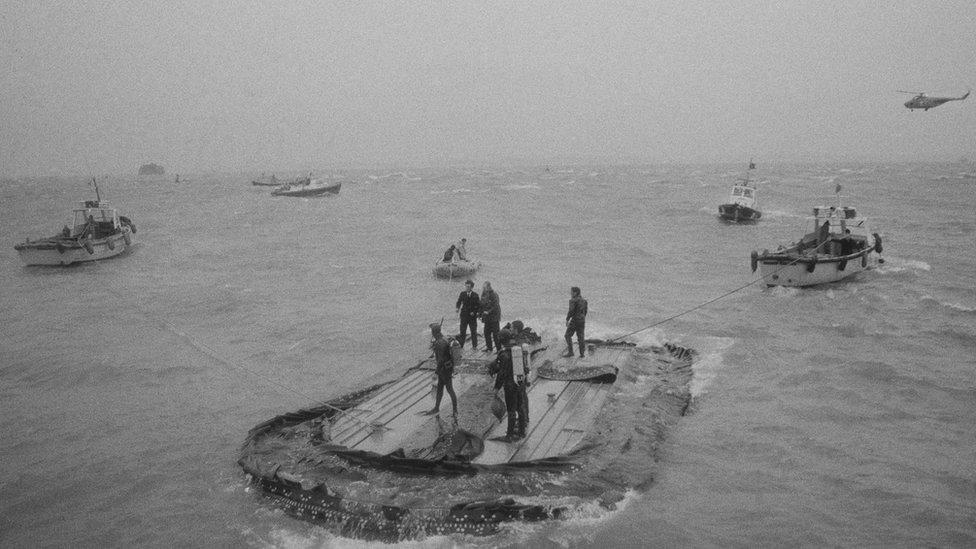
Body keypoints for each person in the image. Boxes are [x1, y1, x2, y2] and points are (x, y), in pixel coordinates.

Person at [490, 329, 529, 441]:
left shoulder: (503, 354)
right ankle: (522, 432)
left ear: (502, 340)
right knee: (520, 407)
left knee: (511, 409)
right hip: (520, 382)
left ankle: (509, 435)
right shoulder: (518, 349)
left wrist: (496, 388)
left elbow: (501, 374)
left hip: (510, 385)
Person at [423, 323, 458, 416]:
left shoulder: (440, 343)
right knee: (440, 388)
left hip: (444, 369)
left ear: (434, 332)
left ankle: (455, 411)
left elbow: (441, 359)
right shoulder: (444, 339)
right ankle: (437, 408)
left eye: (432, 332)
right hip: (447, 367)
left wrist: (436, 372)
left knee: (449, 389)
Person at [564, 286, 588, 357]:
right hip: (582, 320)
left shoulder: (573, 300)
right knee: (581, 337)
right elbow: (585, 311)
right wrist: (582, 318)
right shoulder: (584, 301)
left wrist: (567, 319)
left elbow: (571, 311)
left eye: (571, 292)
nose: (570, 293)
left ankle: (571, 352)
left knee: (567, 335)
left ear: (575, 293)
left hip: (575, 320)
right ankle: (582, 354)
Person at [456, 279, 480, 349]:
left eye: (468, 286)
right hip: (464, 316)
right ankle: (461, 345)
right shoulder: (462, 294)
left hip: (472, 317)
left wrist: (474, 312)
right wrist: (457, 308)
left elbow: (478, 306)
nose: (467, 288)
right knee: (462, 331)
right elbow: (459, 302)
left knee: (473, 332)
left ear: (472, 287)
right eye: (466, 286)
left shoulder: (475, 295)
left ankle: (474, 346)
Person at [480, 281, 501, 352]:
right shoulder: (483, 294)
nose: (483, 289)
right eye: (483, 287)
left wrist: (488, 312)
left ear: (489, 287)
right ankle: (489, 348)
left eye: (485, 287)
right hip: (487, 318)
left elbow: (496, 306)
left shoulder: (494, 294)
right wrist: (480, 313)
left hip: (494, 317)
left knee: (496, 334)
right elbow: (482, 304)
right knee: (486, 333)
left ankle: (499, 349)